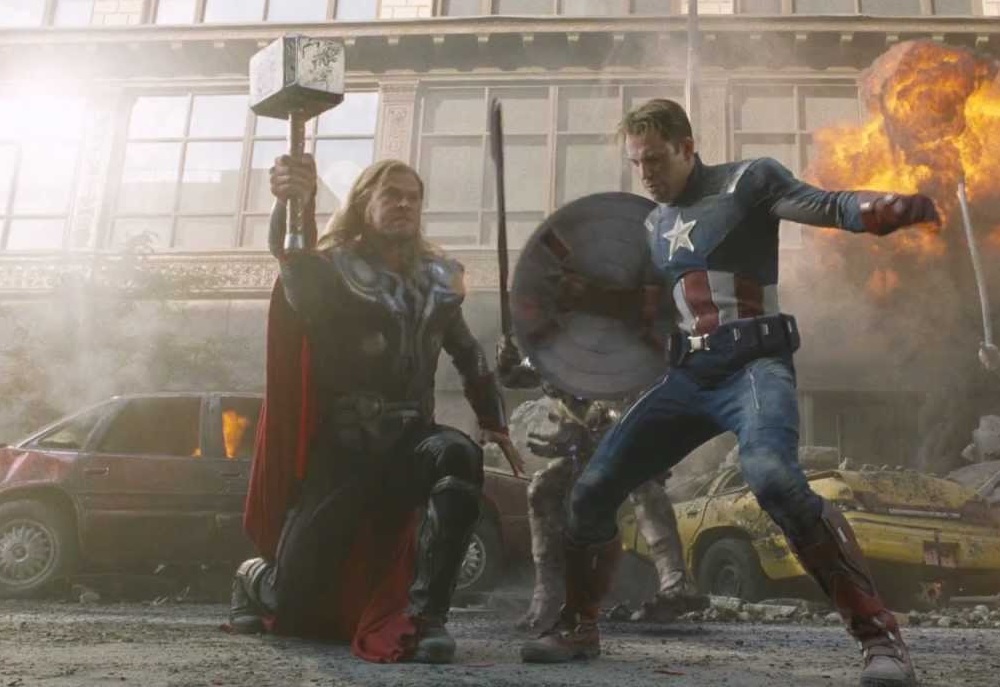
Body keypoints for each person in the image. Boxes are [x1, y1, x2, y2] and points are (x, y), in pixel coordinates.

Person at [519, 99, 938, 687]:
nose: (646, 174)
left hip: (753, 367)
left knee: (774, 479)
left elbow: (827, 205)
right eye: (637, 163)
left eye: (656, 159)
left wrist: (883, 209)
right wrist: (548, 324)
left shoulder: (748, 183)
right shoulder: (653, 226)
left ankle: (880, 639)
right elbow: (637, 316)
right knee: (591, 491)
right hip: (688, 377)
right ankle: (578, 625)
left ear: (688, 147)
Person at [226, 154, 523, 664]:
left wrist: (493, 420)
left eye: (413, 197)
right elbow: (293, 262)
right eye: (392, 195)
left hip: (411, 443)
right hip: (343, 452)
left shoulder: (438, 278)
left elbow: (467, 353)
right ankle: (253, 577)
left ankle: (427, 619)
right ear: (364, 202)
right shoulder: (331, 270)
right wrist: (294, 202)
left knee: (458, 455)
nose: (405, 204)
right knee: (296, 603)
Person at [498, 375, 707, 631]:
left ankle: (675, 582)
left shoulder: (630, 360)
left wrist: (579, 438)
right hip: (586, 445)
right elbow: (513, 375)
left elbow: (645, 405)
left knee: (644, 485)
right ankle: (548, 595)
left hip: (630, 432)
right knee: (543, 489)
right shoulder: (562, 363)